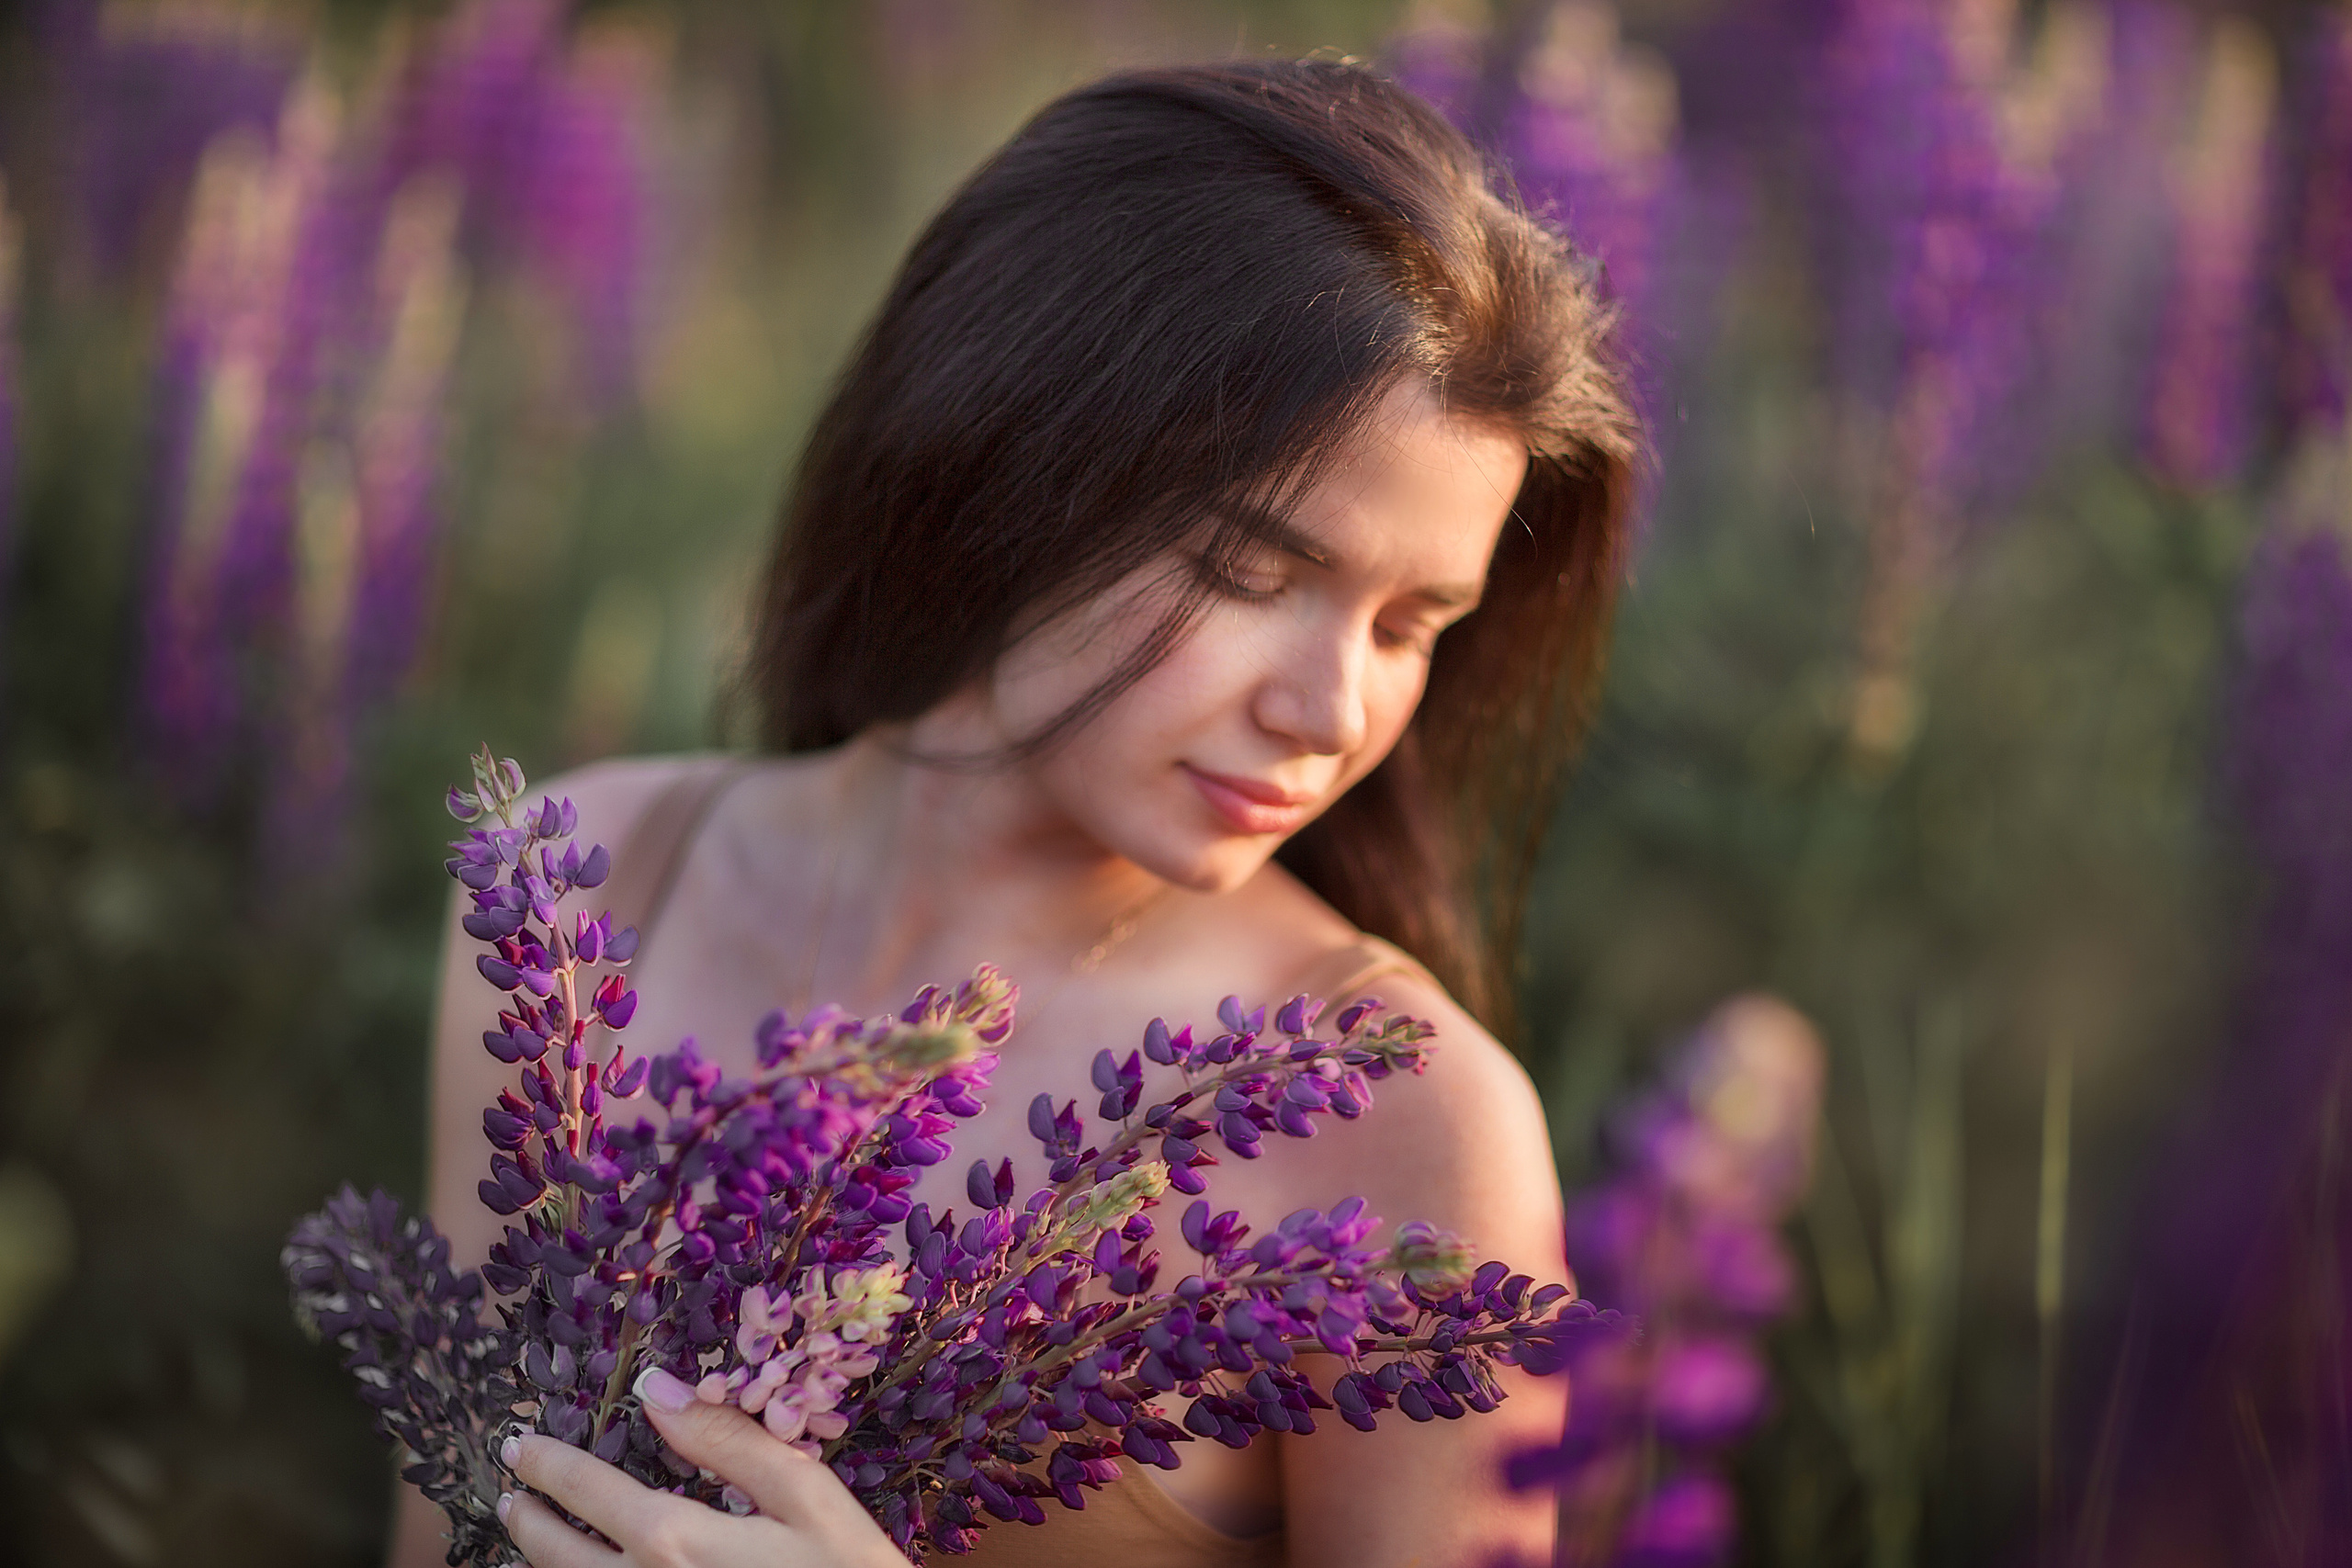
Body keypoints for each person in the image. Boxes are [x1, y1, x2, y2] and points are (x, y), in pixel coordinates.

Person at [392, 55, 1637, 1568]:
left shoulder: (1413, 1127)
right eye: (1253, 573)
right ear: (1005, 448)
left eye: (1408, 624)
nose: (1331, 711)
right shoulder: (584, 908)